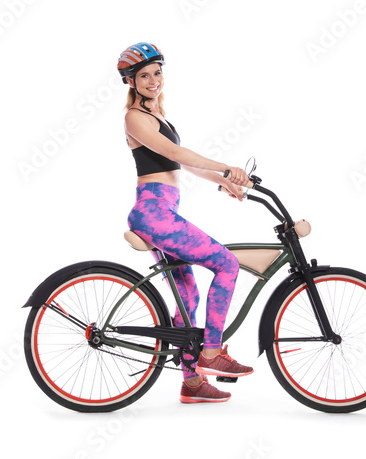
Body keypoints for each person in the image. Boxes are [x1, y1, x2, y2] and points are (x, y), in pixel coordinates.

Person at [117, 42, 253, 404]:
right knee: (226, 263)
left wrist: (222, 181)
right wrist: (226, 166)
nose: (153, 80)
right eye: (143, 76)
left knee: (189, 293)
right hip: (152, 213)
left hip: (165, 213)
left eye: (157, 73)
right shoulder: (135, 117)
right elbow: (176, 153)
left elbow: (181, 165)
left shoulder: (158, 118)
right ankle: (211, 351)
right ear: (131, 81)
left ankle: (191, 383)